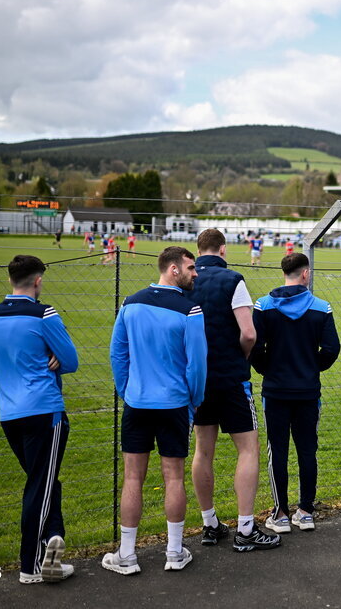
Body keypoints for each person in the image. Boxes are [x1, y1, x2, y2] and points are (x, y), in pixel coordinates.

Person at [104, 246, 207, 574]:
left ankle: (127, 554)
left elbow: (117, 354)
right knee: (173, 477)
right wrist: (194, 399)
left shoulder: (130, 304)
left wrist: (127, 390)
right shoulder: (191, 310)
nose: (195, 274)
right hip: (175, 404)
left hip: (137, 403)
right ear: (174, 269)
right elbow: (198, 366)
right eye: (191, 268)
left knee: (132, 477)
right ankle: (174, 552)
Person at [0, 255, 79, 584]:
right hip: (44, 411)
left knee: (44, 480)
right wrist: (52, 357)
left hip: (9, 413)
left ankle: (52, 539)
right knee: (40, 485)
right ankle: (32, 565)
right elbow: (70, 359)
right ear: (37, 281)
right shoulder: (43, 313)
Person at [186, 229, 280, 551]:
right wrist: (239, 356)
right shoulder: (233, 279)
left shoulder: (188, 280)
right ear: (223, 249)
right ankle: (245, 528)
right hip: (230, 378)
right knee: (248, 449)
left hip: (198, 380)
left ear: (199, 251)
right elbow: (249, 333)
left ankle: (210, 523)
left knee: (203, 450)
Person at [252, 252, 340, 533]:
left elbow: (254, 347)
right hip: (307, 391)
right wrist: (310, 368)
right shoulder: (322, 307)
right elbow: (331, 350)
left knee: (276, 451)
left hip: (275, 391)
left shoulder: (263, 306)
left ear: (284, 273)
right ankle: (304, 512)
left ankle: (279, 514)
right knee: (307, 451)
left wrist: (269, 369)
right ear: (306, 274)